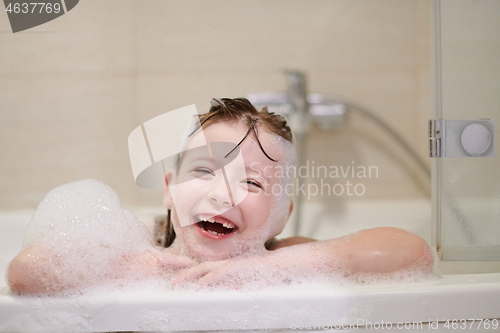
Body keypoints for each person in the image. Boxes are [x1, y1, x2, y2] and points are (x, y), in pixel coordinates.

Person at [7, 98, 433, 295]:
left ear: (282, 216)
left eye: (251, 183)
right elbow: (25, 273)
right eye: (204, 171)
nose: (222, 192)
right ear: (170, 189)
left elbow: (414, 253)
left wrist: (267, 267)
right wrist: (149, 269)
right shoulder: (140, 253)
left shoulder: (285, 255)